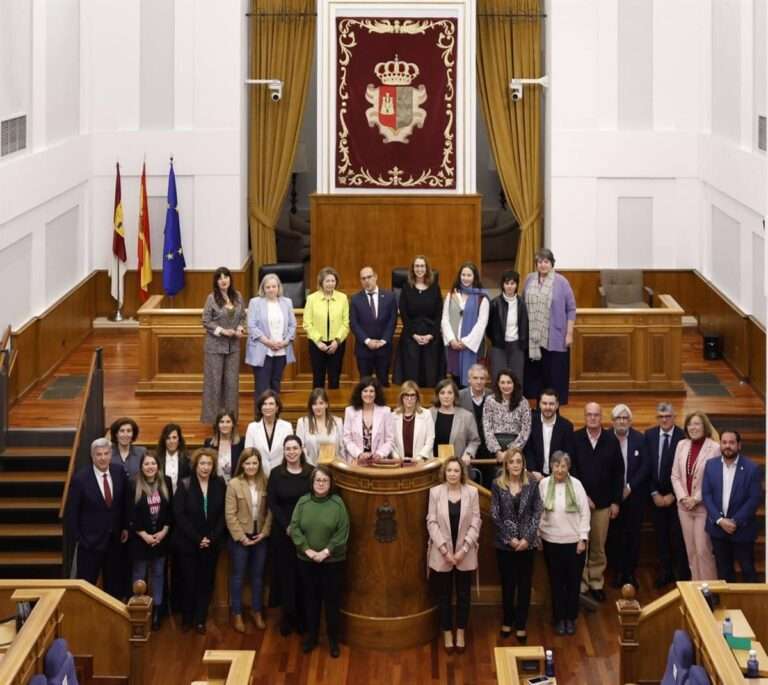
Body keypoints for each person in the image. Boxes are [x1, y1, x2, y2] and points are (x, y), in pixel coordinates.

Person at [291, 466, 350, 659]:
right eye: (318, 480)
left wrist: (325, 552)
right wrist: (307, 550)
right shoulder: (303, 502)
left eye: (325, 480)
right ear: (312, 482)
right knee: (310, 600)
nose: (321, 484)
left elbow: (343, 532)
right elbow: (295, 528)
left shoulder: (338, 503)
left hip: (332, 561)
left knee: (332, 602)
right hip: (306, 560)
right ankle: (312, 637)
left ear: (330, 483)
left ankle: (333, 640)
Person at [426, 457, 481, 654]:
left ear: (462, 473)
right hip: (442, 555)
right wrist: (444, 550)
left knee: (464, 596)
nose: (452, 474)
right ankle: (447, 631)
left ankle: (460, 631)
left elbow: (476, 522)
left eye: (456, 470)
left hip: (464, 554)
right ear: (444, 472)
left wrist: (463, 551)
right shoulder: (435, 493)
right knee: (444, 596)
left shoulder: (472, 492)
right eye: (449, 470)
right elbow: (431, 522)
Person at [570, 402, 623, 602]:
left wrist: (616, 502)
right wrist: (584, 497)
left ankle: (596, 582)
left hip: (603, 504)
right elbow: (572, 472)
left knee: (598, 546)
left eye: (596, 415)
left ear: (602, 417)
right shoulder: (576, 439)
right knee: (582, 543)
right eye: (589, 415)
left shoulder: (611, 440)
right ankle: (582, 583)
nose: (592, 418)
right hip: (579, 504)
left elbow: (619, 473)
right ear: (584, 417)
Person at [490, 448, 542, 643]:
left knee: (525, 584)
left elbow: (537, 512)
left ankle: (521, 624)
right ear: (506, 464)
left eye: (518, 461)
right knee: (508, 584)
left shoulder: (532, 484)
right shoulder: (497, 484)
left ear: (523, 464)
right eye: (511, 462)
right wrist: (510, 539)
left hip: (527, 544)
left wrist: (527, 539)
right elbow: (495, 515)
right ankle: (507, 620)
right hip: (505, 545)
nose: (515, 465)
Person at [172, 448, 226, 634]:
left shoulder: (219, 484)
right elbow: (179, 516)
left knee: (206, 582)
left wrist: (210, 538)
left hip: (211, 543)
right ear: (195, 465)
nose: (205, 467)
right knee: (189, 581)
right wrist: (198, 538)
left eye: (209, 464)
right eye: (202, 463)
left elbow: (223, 516)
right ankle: (187, 618)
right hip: (189, 543)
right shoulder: (185, 484)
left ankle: (200, 619)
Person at [66, 438, 128, 599]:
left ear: (111, 454)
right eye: (98, 454)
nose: (102, 458)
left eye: (106, 454)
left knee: (114, 589)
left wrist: (125, 527)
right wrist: (81, 539)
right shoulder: (80, 479)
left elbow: (124, 504)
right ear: (92, 456)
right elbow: (72, 514)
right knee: (86, 590)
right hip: (89, 545)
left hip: (115, 542)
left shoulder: (119, 472)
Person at [538, 451, 590, 636]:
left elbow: (585, 513)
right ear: (551, 466)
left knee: (573, 581)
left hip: (574, 542)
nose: (560, 469)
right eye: (556, 465)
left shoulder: (576, 485)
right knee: (556, 581)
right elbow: (538, 512)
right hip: (550, 540)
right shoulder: (543, 484)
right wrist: (538, 536)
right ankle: (559, 618)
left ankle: (570, 618)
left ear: (568, 468)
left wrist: (582, 539)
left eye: (563, 466)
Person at [267, 435, 313, 635]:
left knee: (304, 575)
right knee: (285, 575)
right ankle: (288, 617)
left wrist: (300, 528)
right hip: (283, 532)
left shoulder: (311, 472)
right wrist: (287, 526)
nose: (291, 452)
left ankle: (303, 618)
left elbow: (315, 499)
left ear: (302, 449)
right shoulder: (276, 473)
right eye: (288, 449)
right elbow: (272, 503)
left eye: (295, 448)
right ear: (283, 452)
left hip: (306, 531)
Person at [702, 430, 763, 582]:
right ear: (720, 445)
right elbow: (707, 495)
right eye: (724, 442)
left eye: (731, 442)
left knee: (748, 569)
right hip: (718, 529)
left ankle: (753, 605)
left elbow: (754, 498)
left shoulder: (752, 468)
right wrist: (720, 520)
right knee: (724, 571)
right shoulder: (711, 465)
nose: (727, 446)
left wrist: (734, 521)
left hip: (742, 529)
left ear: (739, 445)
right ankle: (726, 605)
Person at [225, 447, 272, 632]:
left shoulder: (265, 482)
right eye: (248, 463)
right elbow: (230, 514)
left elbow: (270, 511)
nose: (251, 466)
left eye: (254, 463)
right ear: (242, 464)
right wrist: (241, 538)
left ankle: (256, 611)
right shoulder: (234, 484)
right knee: (237, 577)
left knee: (258, 577)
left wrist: (265, 532)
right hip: (240, 538)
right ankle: (237, 613)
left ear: (259, 464)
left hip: (260, 535)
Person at [670, 411, 720, 581]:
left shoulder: (714, 448)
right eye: (690, 424)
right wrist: (683, 498)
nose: (693, 427)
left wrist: (696, 498)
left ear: (704, 426)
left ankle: (710, 592)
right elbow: (675, 476)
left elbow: (714, 479)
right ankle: (696, 590)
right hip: (684, 507)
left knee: (703, 550)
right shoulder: (681, 445)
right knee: (690, 550)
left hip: (703, 507)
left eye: (697, 424)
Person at [644, 403, 690, 587]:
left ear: (674, 417)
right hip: (655, 498)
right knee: (661, 537)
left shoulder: (683, 437)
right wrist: (654, 493)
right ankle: (665, 572)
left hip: (677, 497)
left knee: (677, 538)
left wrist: (673, 494)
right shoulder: (649, 435)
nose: (664, 420)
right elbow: (646, 466)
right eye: (660, 416)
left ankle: (681, 575)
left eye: (667, 416)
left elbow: (686, 471)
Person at [126, 452, 173, 630]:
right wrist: (143, 534)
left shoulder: (166, 482)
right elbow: (131, 513)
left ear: (158, 466)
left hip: (161, 538)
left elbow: (170, 510)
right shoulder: (133, 484)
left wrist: (164, 531)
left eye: (153, 463)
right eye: (146, 464)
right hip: (140, 540)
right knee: (139, 574)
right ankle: (139, 612)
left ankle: (157, 611)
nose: (150, 467)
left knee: (159, 574)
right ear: (141, 467)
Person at [523, 248, 576, 405]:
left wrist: (569, 333)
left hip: (555, 338)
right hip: (533, 339)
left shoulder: (561, 282)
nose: (543, 265)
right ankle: (538, 408)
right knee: (537, 378)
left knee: (554, 377)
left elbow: (571, 309)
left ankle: (554, 408)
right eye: (540, 262)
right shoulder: (529, 279)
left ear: (552, 263)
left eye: (546, 261)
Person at [607, 404, 650, 589]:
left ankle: (629, 573)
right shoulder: (606, 438)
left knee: (633, 536)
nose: (622, 421)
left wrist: (629, 487)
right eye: (618, 418)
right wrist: (616, 492)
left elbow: (645, 467)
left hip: (634, 498)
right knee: (615, 537)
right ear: (612, 421)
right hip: (612, 498)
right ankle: (617, 573)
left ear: (630, 421)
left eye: (625, 418)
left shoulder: (640, 439)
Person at [201, 266, 246, 422]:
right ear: (216, 281)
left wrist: (240, 327)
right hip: (215, 347)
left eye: (226, 277)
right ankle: (214, 421)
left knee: (232, 385)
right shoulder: (211, 298)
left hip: (233, 348)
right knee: (214, 384)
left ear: (230, 279)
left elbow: (242, 317)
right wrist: (222, 331)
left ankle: (230, 419)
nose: (223, 280)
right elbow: (206, 321)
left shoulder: (238, 296)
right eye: (220, 278)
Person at [245, 272, 297, 402]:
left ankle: (274, 419)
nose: (271, 289)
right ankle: (259, 420)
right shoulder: (255, 302)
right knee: (262, 388)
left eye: (274, 286)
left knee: (275, 385)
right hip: (262, 350)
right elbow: (251, 326)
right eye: (268, 287)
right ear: (263, 288)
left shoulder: (287, 302)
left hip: (281, 350)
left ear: (279, 287)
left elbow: (293, 325)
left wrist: (285, 342)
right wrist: (268, 342)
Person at [441, 262, 489, 387]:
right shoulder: (451, 295)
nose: (465, 278)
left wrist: (466, 342)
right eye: (463, 275)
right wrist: (452, 340)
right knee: (455, 381)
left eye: (469, 275)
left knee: (473, 380)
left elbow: (481, 324)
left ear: (475, 277)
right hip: (454, 347)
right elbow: (444, 319)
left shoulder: (481, 298)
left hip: (472, 349)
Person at [399, 255, 443, 388]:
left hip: (431, 336)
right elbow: (404, 315)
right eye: (416, 266)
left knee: (431, 375)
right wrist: (414, 335)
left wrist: (431, 335)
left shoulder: (435, 288)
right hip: (411, 335)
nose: (419, 269)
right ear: (412, 269)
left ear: (427, 268)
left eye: (422, 266)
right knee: (412, 375)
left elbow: (439, 314)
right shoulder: (406, 288)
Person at [349, 266, 397, 386]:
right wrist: (367, 341)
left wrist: (384, 340)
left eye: (369, 277)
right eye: (363, 278)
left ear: (375, 277)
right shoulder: (355, 299)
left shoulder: (389, 297)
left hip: (384, 349)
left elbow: (392, 321)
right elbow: (354, 323)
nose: (366, 281)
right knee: (365, 385)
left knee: (383, 383)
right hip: (364, 349)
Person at [303, 267, 349, 389]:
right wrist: (318, 341)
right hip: (317, 344)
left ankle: (334, 405)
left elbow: (346, 323)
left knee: (335, 378)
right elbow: (307, 323)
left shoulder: (343, 298)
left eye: (333, 281)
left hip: (336, 344)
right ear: (321, 282)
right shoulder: (311, 299)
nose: (330, 284)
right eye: (327, 281)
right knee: (318, 378)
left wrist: (337, 341)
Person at [483, 370, 532, 469]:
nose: (506, 386)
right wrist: (497, 451)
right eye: (502, 382)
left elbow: (526, 430)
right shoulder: (490, 400)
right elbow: (487, 427)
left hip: (516, 446)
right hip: (495, 448)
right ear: (498, 384)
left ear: (514, 384)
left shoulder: (523, 402)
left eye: (509, 382)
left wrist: (510, 451)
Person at [487, 269, 529, 383]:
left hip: (517, 346)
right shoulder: (495, 303)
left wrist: (522, 343)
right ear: (502, 285)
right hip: (499, 346)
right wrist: (496, 339)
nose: (509, 286)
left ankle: (516, 401)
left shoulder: (522, 303)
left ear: (516, 285)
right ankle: (498, 401)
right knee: (498, 377)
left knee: (517, 378)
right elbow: (489, 327)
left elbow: (525, 325)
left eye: (512, 283)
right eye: (507, 283)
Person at [524, 388, 574, 482]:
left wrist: (557, 473)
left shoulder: (566, 426)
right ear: (539, 404)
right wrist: (533, 471)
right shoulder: (530, 423)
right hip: (534, 476)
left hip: (558, 476)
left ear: (557, 405)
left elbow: (567, 454)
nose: (548, 407)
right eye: (544, 403)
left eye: (551, 404)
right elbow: (528, 449)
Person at [429, 378, 481, 469]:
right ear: (438, 395)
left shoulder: (466, 416)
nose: (446, 396)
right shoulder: (428, 414)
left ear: (455, 395)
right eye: (442, 393)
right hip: (432, 466)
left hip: (457, 467)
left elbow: (474, 440)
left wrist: (468, 453)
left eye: (450, 393)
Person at [342, 376, 394, 463]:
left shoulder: (385, 411)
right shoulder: (350, 411)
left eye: (371, 391)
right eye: (365, 391)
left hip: (379, 462)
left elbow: (390, 440)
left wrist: (380, 453)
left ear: (376, 393)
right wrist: (359, 454)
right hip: (356, 461)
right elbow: (347, 439)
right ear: (360, 393)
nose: (368, 394)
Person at [244, 391, 294, 476]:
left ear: (277, 407)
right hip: (258, 476)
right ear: (260, 407)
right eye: (264, 404)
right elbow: (248, 454)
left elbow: (290, 452)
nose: (268, 407)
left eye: (271, 404)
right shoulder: (252, 428)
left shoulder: (287, 427)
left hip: (281, 475)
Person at [295, 388, 344, 465]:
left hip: (333, 469)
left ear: (326, 404)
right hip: (310, 468)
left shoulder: (338, 422)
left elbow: (342, 449)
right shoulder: (302, 422)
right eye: (314, 404)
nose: (318, 407)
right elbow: (300, 448)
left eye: (321, 403)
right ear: (311, 406)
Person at [391, 381, 435, 461]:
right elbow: (391, 442)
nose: (409, 398)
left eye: (412, 395)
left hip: (421, 462)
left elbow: (430, 439)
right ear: (401, 397)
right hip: (399, 462)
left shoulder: (426, 414)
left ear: (417, 397)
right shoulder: (393, 416)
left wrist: (419, 457)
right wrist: (397, 457)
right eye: (406, 395)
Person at [458, 364, 492, 461]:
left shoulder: (493, 396)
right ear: (469, 379)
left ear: (486, 380)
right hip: (466, 448)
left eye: (482, 378)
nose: (479, 381)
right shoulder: (459, 396)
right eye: (475, 378)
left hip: (488, 447)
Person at [203, 410, 245, 485]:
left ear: (233, 424)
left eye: (228, 422)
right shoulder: (209, 443)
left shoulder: (241, 443)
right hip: (215, 485)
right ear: (217, 425)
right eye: (221, 422)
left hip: (235, 486)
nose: (224, 425)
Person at [156, 423, 190, 495]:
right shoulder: (157, 459)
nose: (171, 441)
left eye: (174, 437)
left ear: (179, 440)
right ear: (164, 441)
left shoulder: (187, 460)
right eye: (168, 438)